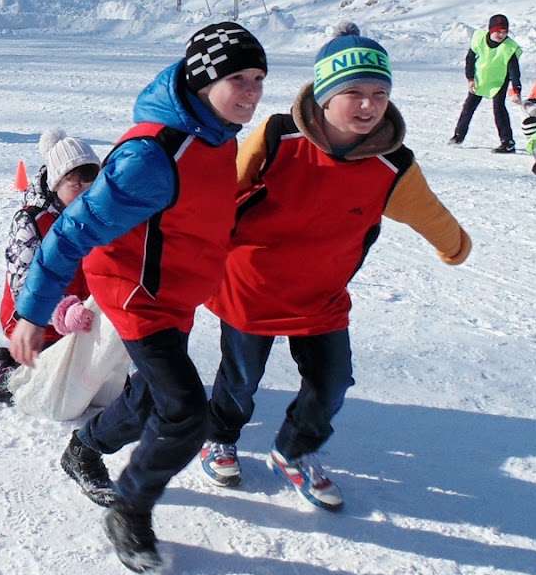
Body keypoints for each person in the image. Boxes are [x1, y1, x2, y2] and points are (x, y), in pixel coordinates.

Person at [9, 22, 267, 574]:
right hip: (134, 295)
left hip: (174, 292)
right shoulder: (154, 156)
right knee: (185, 413)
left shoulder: (219, 134)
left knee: (152, 394)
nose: (251, 91)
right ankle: (131, 509)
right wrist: (32, 311)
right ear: (202, 81)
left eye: (258, 78)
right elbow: (72, 230)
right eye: (237, 78)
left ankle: (85, 449)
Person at [200, 28, 471, 512]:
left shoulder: (393, 164)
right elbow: (222, 192)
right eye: (354, 93)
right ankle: (219, 437)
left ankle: (295, 450)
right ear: (325, 96)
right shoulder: (278, 136)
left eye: (379, 94)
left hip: (320, 296)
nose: (368, 106)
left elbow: (429, 212)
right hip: (251, 287)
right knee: (240, 379)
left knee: (332, 383)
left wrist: (455, 246)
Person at [0, 129, 130, 420]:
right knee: (42, 389)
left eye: (92, 184)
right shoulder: (31, 221)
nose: (85, 193)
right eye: (75, 185)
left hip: (84, 316)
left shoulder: (102, 215)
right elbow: (23, 283)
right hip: (37, 320)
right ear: (56, 185)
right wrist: (60, 312)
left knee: (106, 386)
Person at [449, 13, 523, 152]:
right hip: (480, 79)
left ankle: (508, 142)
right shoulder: (479, 39)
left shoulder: (510, 47)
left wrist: (516, 89)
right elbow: (470, 59)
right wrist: (470, 79)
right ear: (490, 30)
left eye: (504, 32)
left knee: (499, 109)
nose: (501, 35)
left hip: (499, 81)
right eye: (498, 31)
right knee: (468, 108)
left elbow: (514, 70)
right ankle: (458, 135)